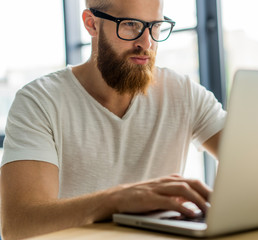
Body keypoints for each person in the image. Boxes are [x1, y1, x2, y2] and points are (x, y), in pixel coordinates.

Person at [0, 0, 226, 239]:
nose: (146, 43)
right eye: (130, 25)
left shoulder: (183, 92)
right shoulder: (40, 101)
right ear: (91, 24)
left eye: (155, 26)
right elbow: (17, 224)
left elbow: (251, 162)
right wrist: (116, 200)